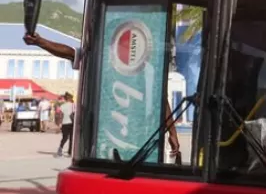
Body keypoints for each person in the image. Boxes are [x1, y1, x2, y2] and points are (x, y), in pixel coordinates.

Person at [23, 31, 180, 159]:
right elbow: (69, 52)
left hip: (141, 139)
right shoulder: (102, 60)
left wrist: (172, 133)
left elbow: (161, 100)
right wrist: (40, 42)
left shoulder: (148, 71)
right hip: (106, 138)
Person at [57, 92, 74, 157]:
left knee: (65, 138)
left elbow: (59, 115)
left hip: (64, 123)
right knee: (72, 138)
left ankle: (60, 148)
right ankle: (70, 152)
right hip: (72, 123)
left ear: (65, 99)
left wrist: (59, 124)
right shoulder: (74, 105)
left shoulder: (62, 106)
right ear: (70, 98)